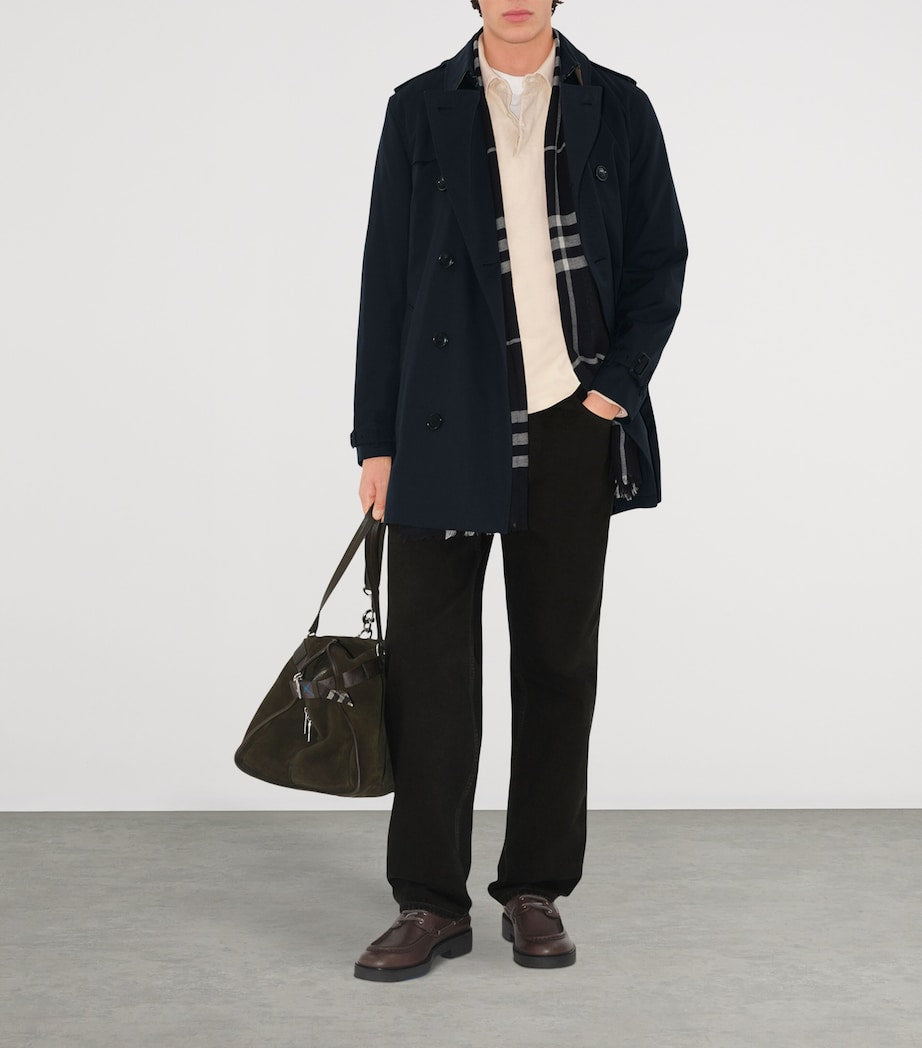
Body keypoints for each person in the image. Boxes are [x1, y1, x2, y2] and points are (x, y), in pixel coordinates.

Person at [349, 0, 687, 981]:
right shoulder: (419, 107)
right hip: (441, 423)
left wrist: (613, 390)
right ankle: (428, 902)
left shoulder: (616, 105)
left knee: (556, 661)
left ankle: (535, 889)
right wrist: (376, 439)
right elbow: (384, 277)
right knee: (428, 670)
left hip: (569, 421)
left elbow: (659, 258)